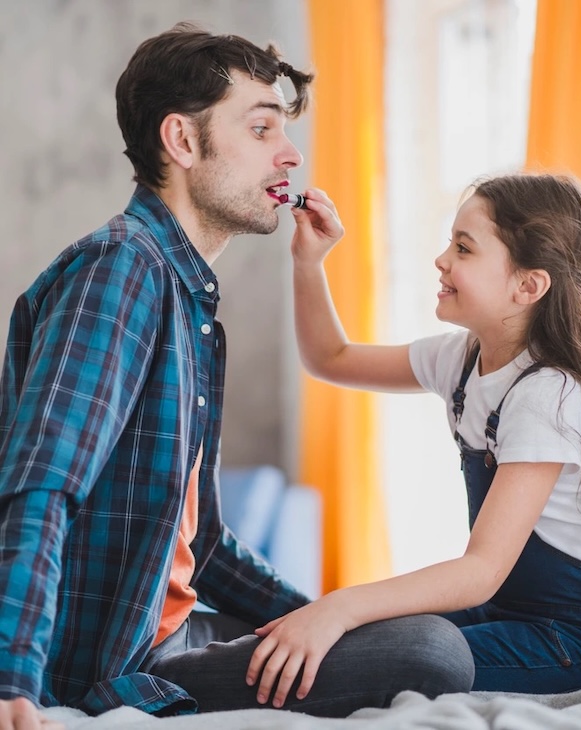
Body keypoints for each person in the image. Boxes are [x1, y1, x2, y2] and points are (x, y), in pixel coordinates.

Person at [0, 22, 475, 728]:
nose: (289, 155)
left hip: (171, 633)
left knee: (415, 633)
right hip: (116, 663)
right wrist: (15, 682)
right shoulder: (120, 271)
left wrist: (319, 620)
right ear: (183, 142)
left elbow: (208, 548)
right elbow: (41, 483)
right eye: (260, 130)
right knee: (432, 652)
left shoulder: (187, 302)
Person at [246, 173, 581, 707]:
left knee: (380, 654)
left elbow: (480, 570)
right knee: (357, 640)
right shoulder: (461, 358)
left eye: (463, 248)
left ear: (528, 286)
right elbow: (330, 358)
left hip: (574, 641)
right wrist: (308, 262)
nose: (441, 260)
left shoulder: (548, 395)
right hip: (503, 608)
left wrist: (339, 604)